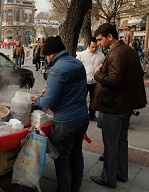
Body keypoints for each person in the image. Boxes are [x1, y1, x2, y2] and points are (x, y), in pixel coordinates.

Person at [90, 23, 147, 188]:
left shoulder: (116, 53)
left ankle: (108, 177)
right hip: (125, 105)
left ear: (110, 37)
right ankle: (121, 173)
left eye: (100, 40)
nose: (99, 43)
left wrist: (98, 73)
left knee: (111, 143)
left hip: (114, 106)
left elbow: (113, 81)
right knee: (121, 141)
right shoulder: (128, 50)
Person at [31, 36, 89, 192]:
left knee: (62, 160)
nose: (46, 60)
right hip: (82, 117)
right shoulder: (77, 63)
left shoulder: (56, 70)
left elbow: (49, 103)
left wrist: (38, 99)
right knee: (76, 154)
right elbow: (72, 89)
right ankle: (75, 188)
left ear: (51, 54)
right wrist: (49, 91)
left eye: (46, 57)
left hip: (66, 123)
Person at [76, 37, 105, 121]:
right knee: (81, 98)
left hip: (95, 82)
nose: (94, 48)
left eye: (96, 47)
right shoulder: (81, 55)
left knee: (94, 99)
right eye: (92, 47)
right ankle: (81, 114)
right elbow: (76, 67)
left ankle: (92, 114)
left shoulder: (101, 56)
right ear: (88, 45)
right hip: (84, 81)